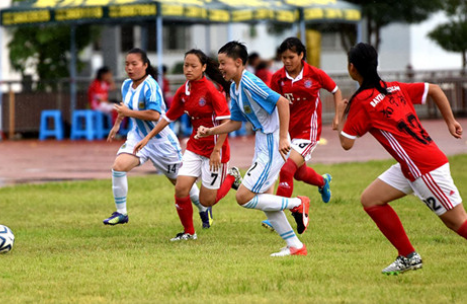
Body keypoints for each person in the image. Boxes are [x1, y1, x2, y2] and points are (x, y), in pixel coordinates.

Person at [339, 42, 467, 275]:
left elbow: (346, 143)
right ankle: (408, 256)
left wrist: (339, 115)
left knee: (457, 222)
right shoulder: (395, 87)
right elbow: (436, 90)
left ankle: (408, 256)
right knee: (371, 199)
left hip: (423, 168)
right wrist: (451, 121)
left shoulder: (362, 101)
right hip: (413, 164)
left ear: (351, 68)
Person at [196, 41, 311, 257]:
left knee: (244, 196)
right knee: (263, 200)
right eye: (219, 63)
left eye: (224, 63)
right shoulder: (237, 89)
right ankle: (296, 246)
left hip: (271, 141)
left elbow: (282, 103)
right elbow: (235, 123)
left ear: (239, 63)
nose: (220, 68)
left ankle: (298, 203)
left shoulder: (248, 82)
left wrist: (283, 137)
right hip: (262, 142)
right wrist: (210, 132)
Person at [134, 49, 241, 241]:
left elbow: (226, 122)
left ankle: (231, 177)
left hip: (215, 149)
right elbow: (168, 117)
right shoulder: (183, 91)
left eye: (193, 66)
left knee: (206, 200)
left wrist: (217, 150)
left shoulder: (211, 90)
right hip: (195, 147)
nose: (188, 69)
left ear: (204, 67)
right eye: (186, 65)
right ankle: (189, 232)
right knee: (181, 188)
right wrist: (147, 137)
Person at [102, 48, 203, 229]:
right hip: (138, 138)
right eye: (127, 64)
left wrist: (127, 113)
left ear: (145, 65)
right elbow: (125, 107)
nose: (130, 68)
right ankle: (121, 213)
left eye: (134, 64)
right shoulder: (126, 84)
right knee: (118, 167)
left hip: (161, 141)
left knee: (179, 183)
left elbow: (155, 115)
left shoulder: (151, 86)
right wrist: (118, 123)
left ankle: (204, 209)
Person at [262, 37, 344, 230]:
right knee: (299, 173)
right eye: (283, 58)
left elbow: (336, 90)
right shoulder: (278, 78)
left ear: (301, 55)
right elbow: (272, 103)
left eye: (291, 57)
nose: (287, 61)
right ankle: (323, 182)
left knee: (287, 169)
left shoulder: (315, 74)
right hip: (287, 132)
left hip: (309, 131)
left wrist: (338, 117)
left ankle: (277, 216)